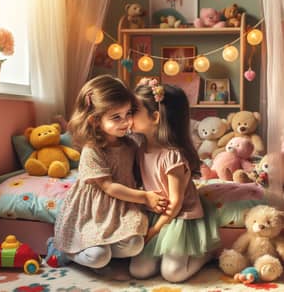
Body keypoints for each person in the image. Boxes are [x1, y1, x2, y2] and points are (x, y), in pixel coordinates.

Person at [46, 74, 168, 269]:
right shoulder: (92, 149)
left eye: (128, 113)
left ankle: (106, 247)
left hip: (120, 209)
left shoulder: (130, 143)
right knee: (98, 258)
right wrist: (145, 197)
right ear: (95, 120)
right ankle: (63, 249)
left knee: (134, 245)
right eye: (116, 117)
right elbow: (109, 187)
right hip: (95, 210)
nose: (126, 122)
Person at [129, 78, 220, 283]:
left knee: (173, 274)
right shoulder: (140, 148)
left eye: (134, 111)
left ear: (154, 117)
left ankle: (205, 256)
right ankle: (164, 253)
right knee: (138, 271)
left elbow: (176, 203)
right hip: (157, 213)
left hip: (179, 217)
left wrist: (152, 232)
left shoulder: (172, 156)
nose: (128, 116)